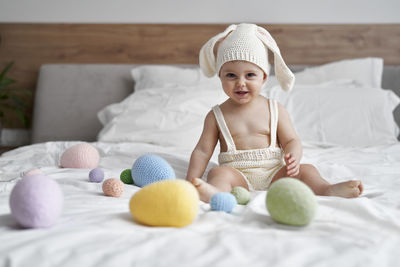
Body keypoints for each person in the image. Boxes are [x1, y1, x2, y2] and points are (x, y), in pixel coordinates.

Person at [185, 23, 363, 203]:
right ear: (220, 76)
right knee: (218, 173)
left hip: (275, 174)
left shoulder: (274, 109)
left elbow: (291, 140)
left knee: (307, 170)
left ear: (263, 77)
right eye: (231, 75)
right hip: (237, 175)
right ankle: (217, 194)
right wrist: (190, 181)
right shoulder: (216, 115)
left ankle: (326, 189)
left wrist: (294, 156)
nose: (240, 83)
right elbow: (202, 151)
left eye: (250, 75)